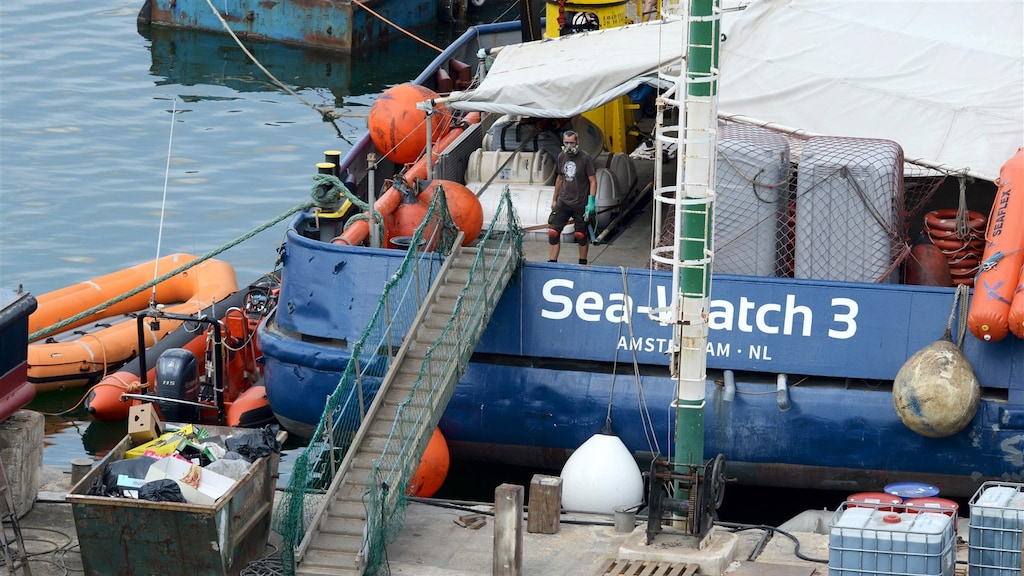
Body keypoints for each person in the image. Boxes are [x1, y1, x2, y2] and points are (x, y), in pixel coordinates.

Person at [548, 130, 598, 265]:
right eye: (566, 143)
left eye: (572, 142)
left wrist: (591, 202)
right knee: (553, 232)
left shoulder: (585, 158)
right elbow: (559, 178)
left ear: (578, 142)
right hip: (563, 201)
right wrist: (554, 199)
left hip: (580, 203)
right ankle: (552, 262)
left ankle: (582, 262)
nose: (569, 146)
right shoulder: (561, 157)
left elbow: (593, 180)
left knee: (580, 234)